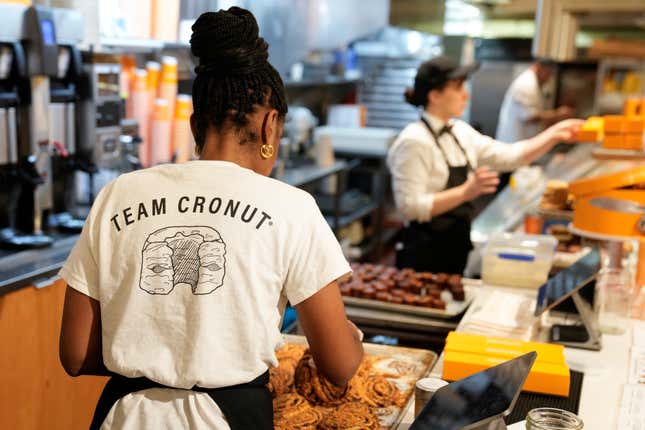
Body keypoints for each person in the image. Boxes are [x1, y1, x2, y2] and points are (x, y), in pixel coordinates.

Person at [58, 7, 363, 430]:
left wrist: (152, 360)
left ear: (195, 124)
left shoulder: (118, 194)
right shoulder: (291, 206)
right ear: (270, 126)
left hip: (123, 417)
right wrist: (351, 339)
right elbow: (339, 365)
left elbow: (75, 355)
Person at [387, 55, 583, 274]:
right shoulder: (414, 141)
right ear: (434, 96)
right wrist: (465, 192)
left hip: (455, 246)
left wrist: (555, 134)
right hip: (423, 254)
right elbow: (411, 207)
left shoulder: (460, 131)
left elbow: (511, 156)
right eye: (458, 87)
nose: (466, 94)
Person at [496, 59, 575, 143]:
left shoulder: (533, 82)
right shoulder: (526, 84)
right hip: (515, 142)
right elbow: (530, 117)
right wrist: (558, 114)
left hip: (522, 142)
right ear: (539, 67)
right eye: (548, 73)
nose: (549, 78)